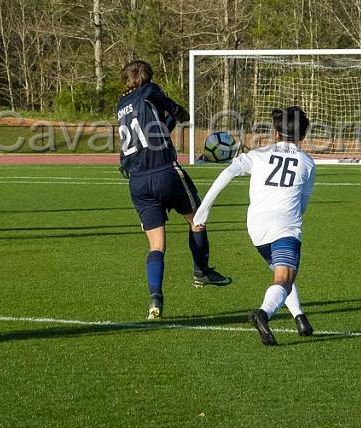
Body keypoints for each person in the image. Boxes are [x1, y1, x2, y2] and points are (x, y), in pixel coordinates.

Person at [116, 60, 230, 320]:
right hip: (165, 171)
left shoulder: (121, 105)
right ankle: (201, 271)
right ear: (148, 77)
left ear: (126, 80)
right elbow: (178, 113)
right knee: (196, 219)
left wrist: (168, 121)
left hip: (137, 181)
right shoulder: (149, 90)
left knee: (156, 246)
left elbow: (154, 130)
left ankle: (155, 298)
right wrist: (179, 114)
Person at [194, 106, 316, 346]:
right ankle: (263, 314)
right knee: (284, 278)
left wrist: (202, 212)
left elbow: (226, 174)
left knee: (281, 272)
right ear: (303, 136)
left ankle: (300, 317)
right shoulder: (307, 163)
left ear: (276, 133)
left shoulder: (257, 155)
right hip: (285, 226)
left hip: (257, 228)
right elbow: (302, 205)